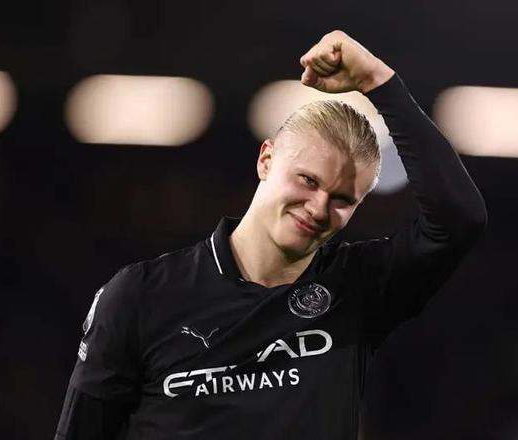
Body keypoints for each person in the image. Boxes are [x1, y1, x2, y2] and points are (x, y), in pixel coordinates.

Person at [55, 30, 487, 440]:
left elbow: (460, 218)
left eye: (342, 199)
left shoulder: (357, 288)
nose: (318, 208)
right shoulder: (140, 296)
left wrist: (379, 82)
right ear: (266, 160)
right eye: (307, 181)